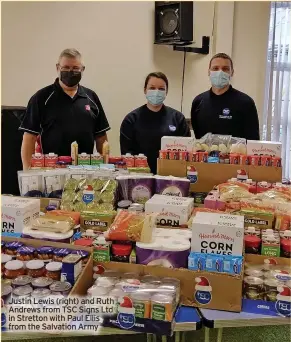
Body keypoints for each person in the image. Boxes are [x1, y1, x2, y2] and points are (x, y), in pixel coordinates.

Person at [20, 48, 110, 170]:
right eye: (66, 67)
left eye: (75, 68)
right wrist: (27, 171)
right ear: (58, 68)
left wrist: (105, 168)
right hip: (51, 170)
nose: (70, 72)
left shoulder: (91, 97)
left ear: (82, 69)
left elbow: (101, 137)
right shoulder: (41, 98)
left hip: (86, 169)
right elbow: (29, 137)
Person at [120, 72, 190, 174]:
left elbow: (186, 152)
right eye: (152, 88)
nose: (156, 92)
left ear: (166, 92)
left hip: (171, 176)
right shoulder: (131, 120)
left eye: (161, 89)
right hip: (140, 177)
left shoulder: (178, 118)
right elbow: (127, 155)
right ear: (145, 90)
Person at [191, 53, 260, 140]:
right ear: (209, 72)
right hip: (205, 153)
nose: (220, 72)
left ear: (232, 72)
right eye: (215, 68)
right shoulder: (198, 101)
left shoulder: (246, 102)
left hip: (236, 153)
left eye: (225, 69)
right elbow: (198, 136)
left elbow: (253, 140)